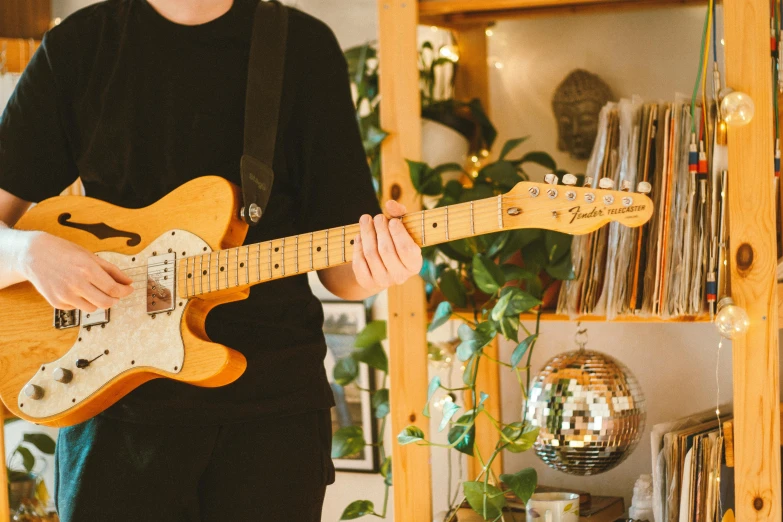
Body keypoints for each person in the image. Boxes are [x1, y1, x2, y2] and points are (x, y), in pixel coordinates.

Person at [0, 0, 422, 520]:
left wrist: (383, 266)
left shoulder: (300, 46)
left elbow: (343, 271)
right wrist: (27, 252)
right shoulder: (79, 46)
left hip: (273, 411)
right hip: (114, 408)